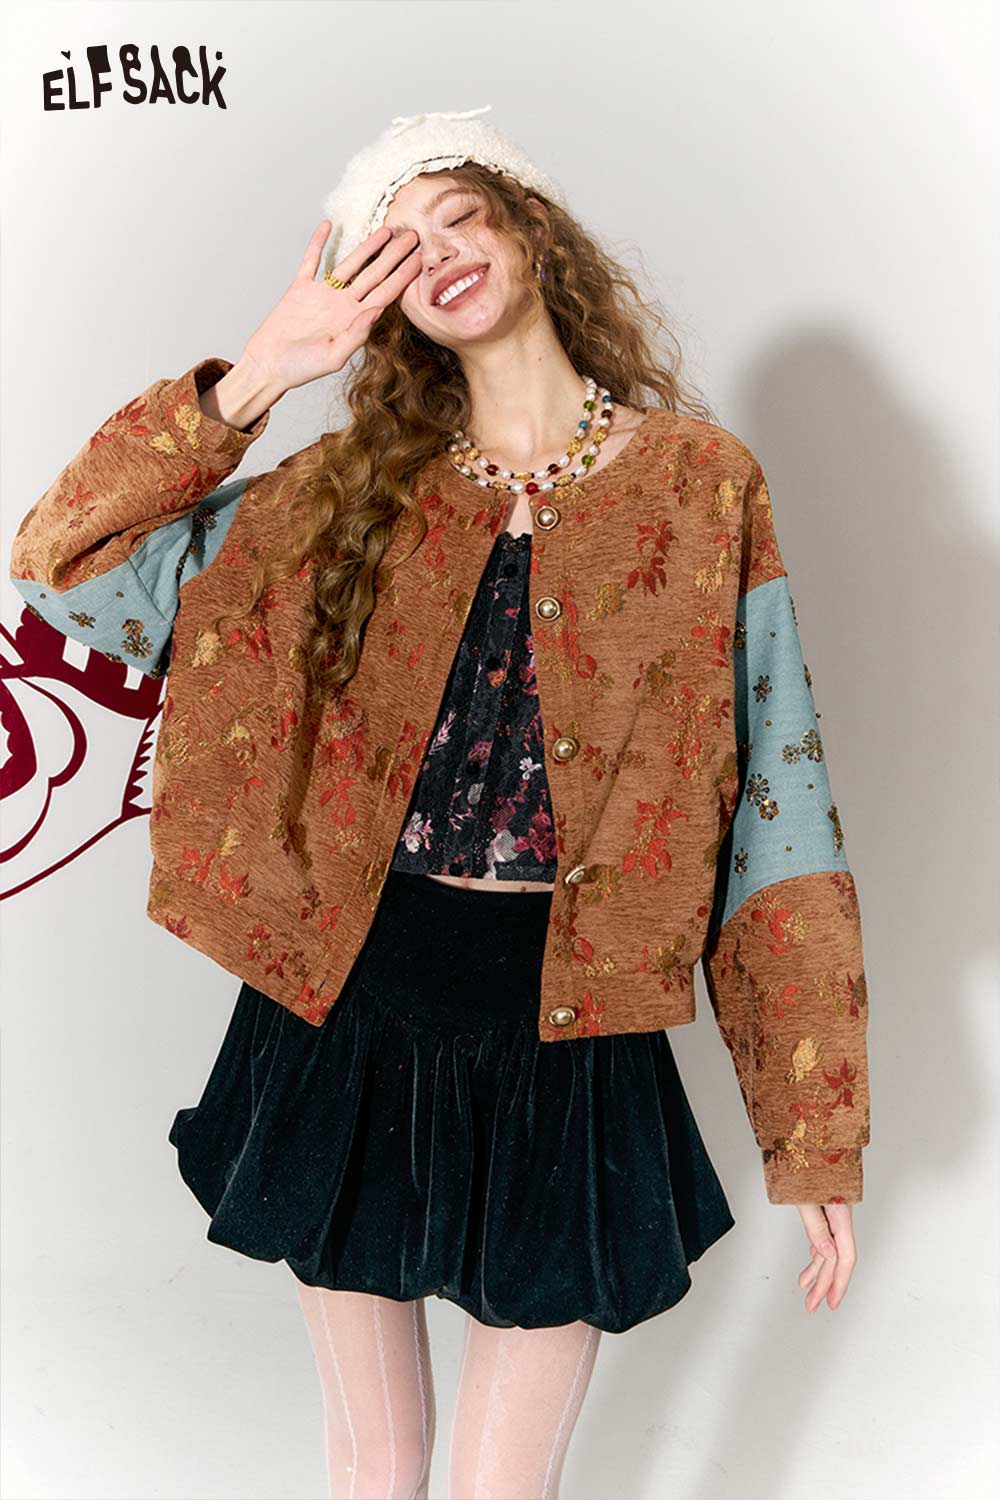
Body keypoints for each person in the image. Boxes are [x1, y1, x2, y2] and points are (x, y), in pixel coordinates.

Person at [9, 106, 871, 1500]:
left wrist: (811, 1122)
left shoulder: (699, 487)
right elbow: (65, 567)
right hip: (346, 998)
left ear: (533, 231)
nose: (439, 254)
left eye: (460, 216)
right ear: (380, 301)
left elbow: (780, 794)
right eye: (397, 247)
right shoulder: (347, 492)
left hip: (568, 1017)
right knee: (376, 1465)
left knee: (501, 1486)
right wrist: (260, 374)